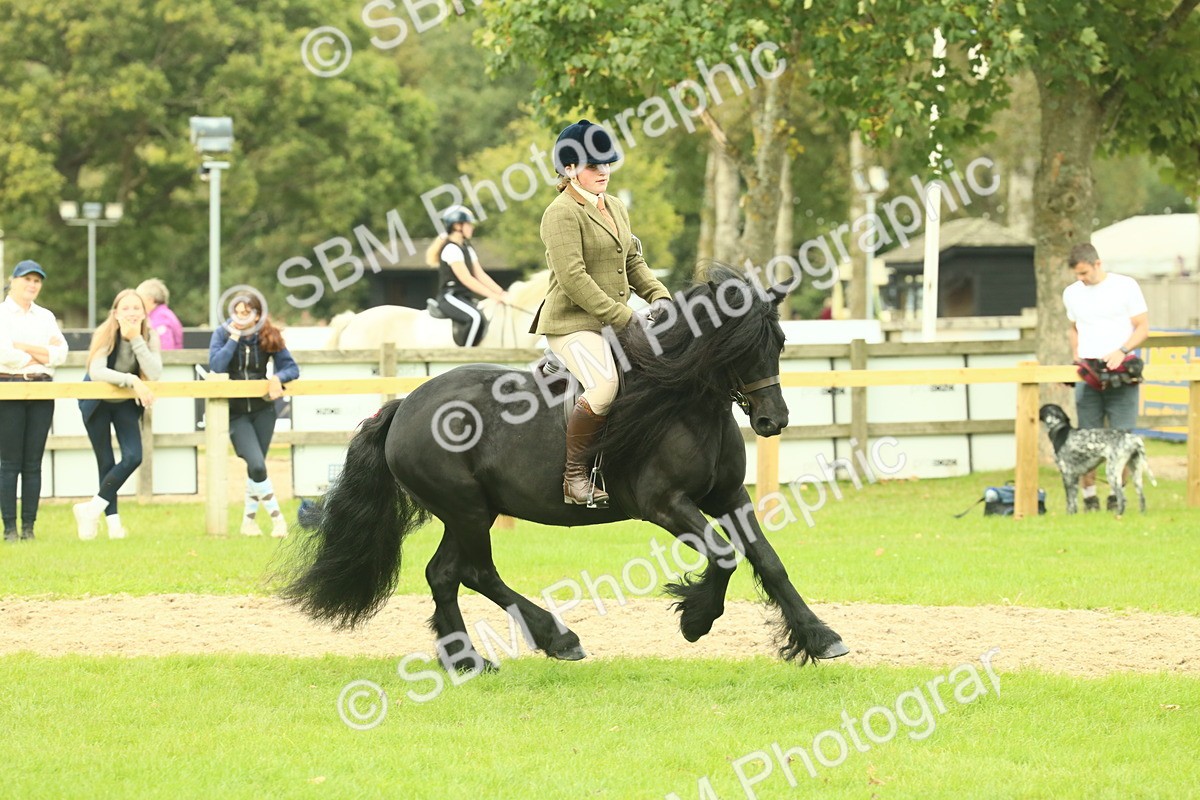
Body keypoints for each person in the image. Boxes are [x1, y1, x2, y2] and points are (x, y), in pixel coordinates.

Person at [530, 119, 672, 507]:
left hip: (612, 320)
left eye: (607, 164)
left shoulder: (615, 206)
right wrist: (623, 316)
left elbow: (633, 260)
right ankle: (574, 478)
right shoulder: (560, 214)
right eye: (595, 166)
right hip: (571, 324)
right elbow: (573, 279)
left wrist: (660, 297)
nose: (604, 172)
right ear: (570, 169)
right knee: (605, 386)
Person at [1063, 242, 1149, 512]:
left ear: (1097, 264)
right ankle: (1089, 498)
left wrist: (1122, 351)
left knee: (1121, 438)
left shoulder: (1125, 286)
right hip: (1088, 373)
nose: (1081, 279)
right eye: (1077, 274)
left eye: (1084, 273)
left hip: (1121, 373)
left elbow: (1143, 326)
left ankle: (1116, 496)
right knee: (1086, 439)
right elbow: (1073, 328)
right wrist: (1076, 354)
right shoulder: (1072, 293)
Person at [209, 292, 300, 537]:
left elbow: (292, 368)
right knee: (258, 465)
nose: (240, 316)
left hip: (264, 411)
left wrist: (277, 378)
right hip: (236, 413)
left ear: (257, 315)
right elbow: (216, 366)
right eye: (236, 312)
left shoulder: (268, 335)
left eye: (246, 312)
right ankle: (278, 520)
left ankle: (248, 523)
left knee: (255, 467)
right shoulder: (222, 334)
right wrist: (234, 338)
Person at [73, 290, 162, 540]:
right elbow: (97, 370)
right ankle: (113, 525)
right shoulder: (105, 333)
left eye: (137, 308)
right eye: (126, 308)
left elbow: (155, 372)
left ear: (144, 313)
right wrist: (132, 379)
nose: (132, 312)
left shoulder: (149, 336)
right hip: (96, 401)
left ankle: (90, 510)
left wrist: (136, 340)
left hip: (123, 402)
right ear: (115, 313)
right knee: (105, 461)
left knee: (134, 456)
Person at [0, 260, 68, 542]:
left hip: (41, 389)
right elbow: (4, 355)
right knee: (8, 462)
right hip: (10, 389)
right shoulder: (3, 314)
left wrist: (24, 347)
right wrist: (41, 352)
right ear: (13, 280)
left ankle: (29, 527)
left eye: (37, 281)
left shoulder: (46, 316)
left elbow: (60, 355)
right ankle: (9, 528)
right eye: (27, 279)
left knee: (33, 462)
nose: (32, 285)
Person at [427, 205, 509, 347]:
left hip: (463, 297)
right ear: (457, 226)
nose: (472, 227)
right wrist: (492, 296)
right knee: (475, 318)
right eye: (469, 224)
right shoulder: (451, 249)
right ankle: (465, 357)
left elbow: (480, 275)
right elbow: (467, 279)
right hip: (449, 297)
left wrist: (501, 292)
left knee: (483, 317)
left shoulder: (467, 248)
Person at [136, 278, 184, 350]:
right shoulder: (166, 314)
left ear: (150, 300)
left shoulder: (160, 319)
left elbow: (165, 348)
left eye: (139, 299)